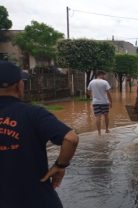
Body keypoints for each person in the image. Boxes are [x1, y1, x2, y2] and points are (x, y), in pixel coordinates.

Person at [0, 61, 79, 208]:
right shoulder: (33, 113)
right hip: (38, 198)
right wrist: (60, 165)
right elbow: (71, 138)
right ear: (18, 85)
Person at [87, 70, 112, 135]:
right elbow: (109, 93)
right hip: (104, 102)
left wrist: (93, 97)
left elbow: (88, 92)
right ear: (101, 74)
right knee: (106, 116)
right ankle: (106, 129)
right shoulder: (105, 82)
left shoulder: (91, 82)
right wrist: (111, 102)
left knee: (98, 117)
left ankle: (99, 132)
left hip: (95, 102)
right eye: (104, 75)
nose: (105, 76)